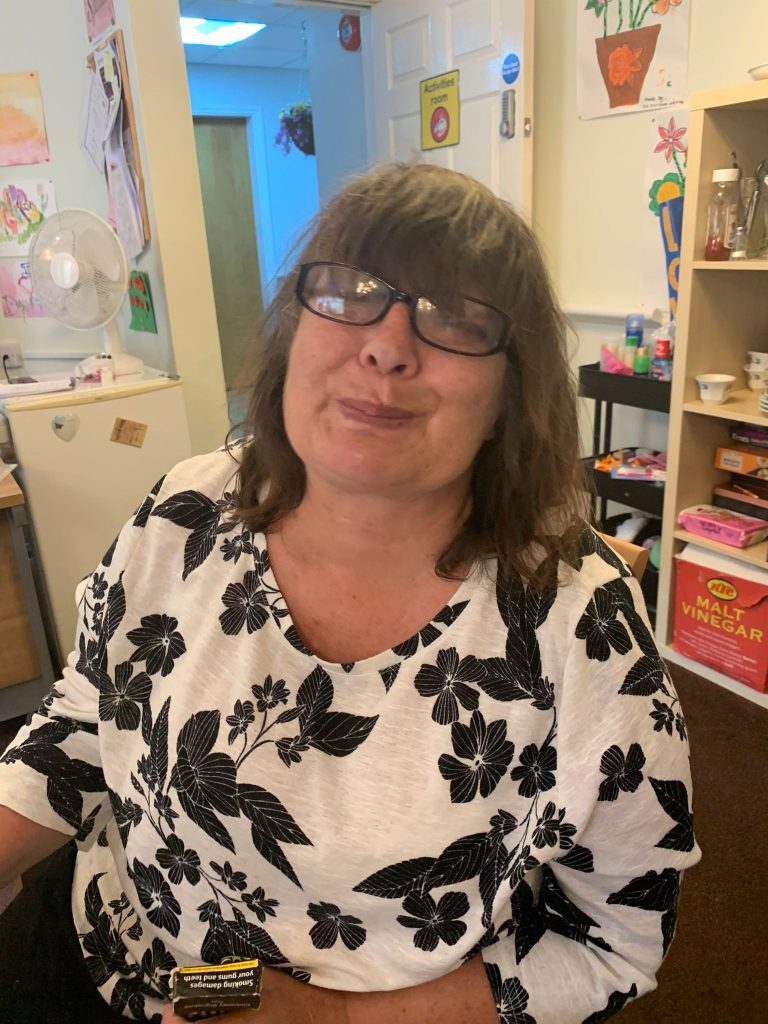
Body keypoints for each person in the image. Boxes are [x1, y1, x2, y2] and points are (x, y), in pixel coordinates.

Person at [0, 163, 700, 1024]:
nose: (387, 346)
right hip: (108, 949)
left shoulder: (583, 627)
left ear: (509, 396)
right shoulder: (187, 509)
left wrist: (327, 1018)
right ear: (294, 336)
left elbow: (612, 942)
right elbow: (87, 716)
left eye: (455, 315)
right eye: (349, 292)